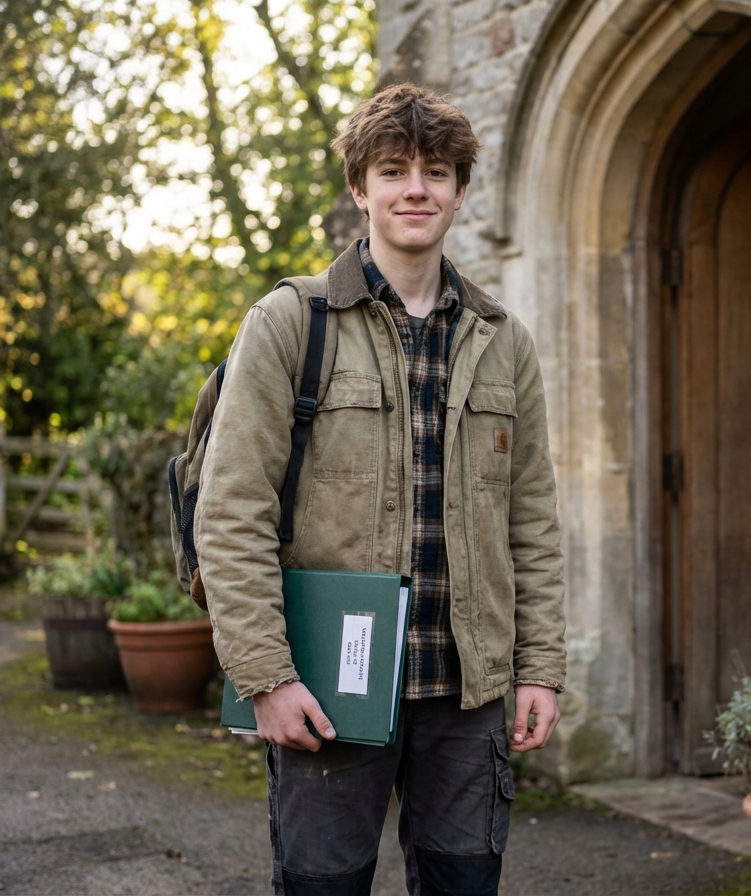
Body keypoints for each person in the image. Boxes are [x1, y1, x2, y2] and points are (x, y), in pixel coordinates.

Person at [195, 83, 567, 896]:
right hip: (329, 692)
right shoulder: (291, 323)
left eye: (437, 172)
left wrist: (540, 668)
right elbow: (230, 514)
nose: (416, 189)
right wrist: (266, 676)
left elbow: (531, 518)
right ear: (360, 189)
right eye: (393, 170)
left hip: (466, 699)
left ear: (461, 191)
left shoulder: (504, 341)